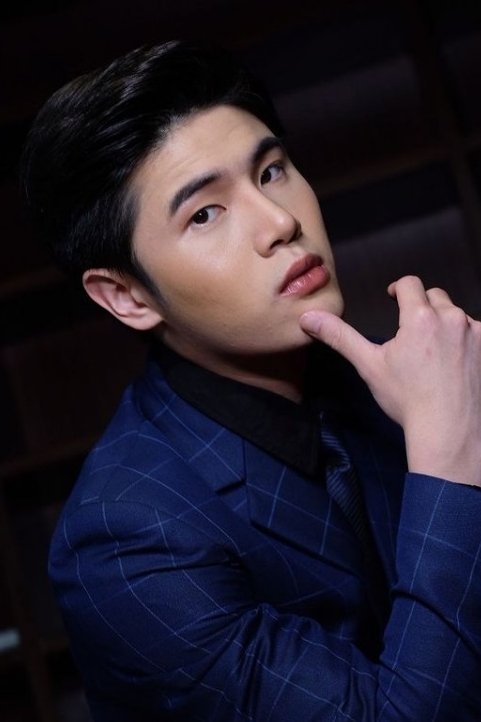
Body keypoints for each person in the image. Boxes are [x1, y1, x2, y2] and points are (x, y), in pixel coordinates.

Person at [21, 39, 481, 721]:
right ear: (127, 296)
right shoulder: (125, 544)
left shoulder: (395, 377)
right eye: (204, 214)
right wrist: (450, 446)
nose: (280, 221)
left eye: (271, 171)